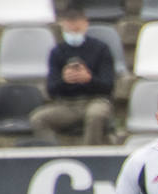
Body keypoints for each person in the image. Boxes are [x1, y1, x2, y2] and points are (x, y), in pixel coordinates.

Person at [29, 9, 116, 146]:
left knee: (95, 115)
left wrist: (89, 79)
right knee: (38, 119)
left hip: (95, 100)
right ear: (63, 27)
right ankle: (53, 156)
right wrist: (64, 80)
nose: (74, 34)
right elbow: (51, 90)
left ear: (85, 25)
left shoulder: (101, 49)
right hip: (68, 104)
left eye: (77, 30)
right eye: (70, 31)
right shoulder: (57, 52)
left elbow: (108, 86)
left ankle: (90, 156)